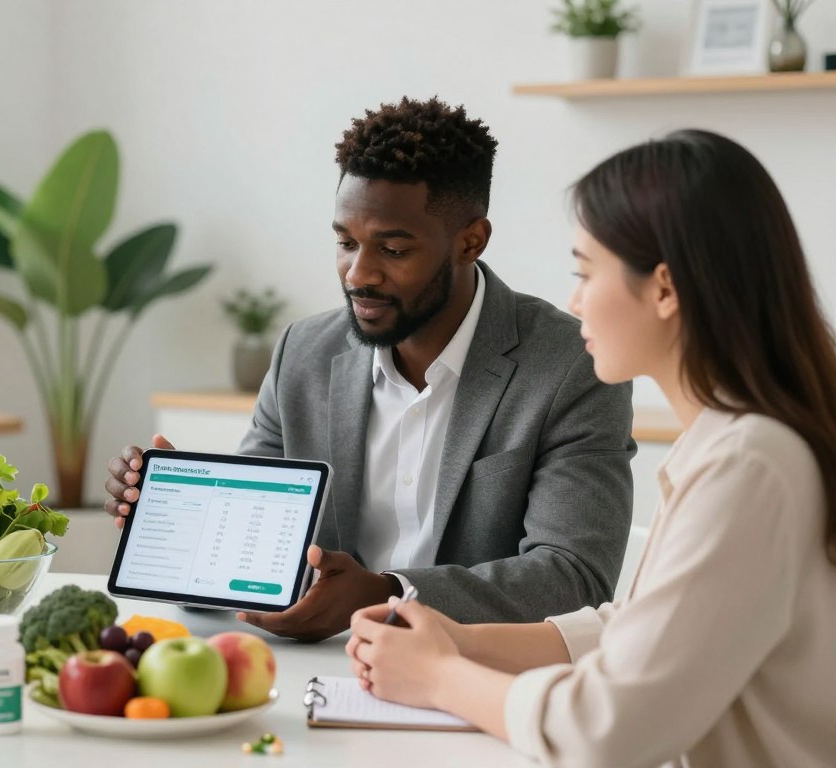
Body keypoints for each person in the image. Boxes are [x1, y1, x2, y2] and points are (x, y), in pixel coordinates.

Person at [345, 130, 836, 767]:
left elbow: (606, 731)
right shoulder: (735, 442)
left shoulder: (751, 465)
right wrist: (461, 640)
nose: (574, 302)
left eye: (585, 272)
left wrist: (440, 677)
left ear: (664, 289)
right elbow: (636, 633)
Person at [104, 97, 636, 641]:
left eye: (394, 249)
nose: (359, 274)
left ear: (470, 241)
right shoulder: (303, 352)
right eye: (345, 242)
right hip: (311, 662)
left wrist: (390, 593)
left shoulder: (570, 364)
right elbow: (260, 540)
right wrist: (184, 506)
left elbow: (576, 576)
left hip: (470, 677)